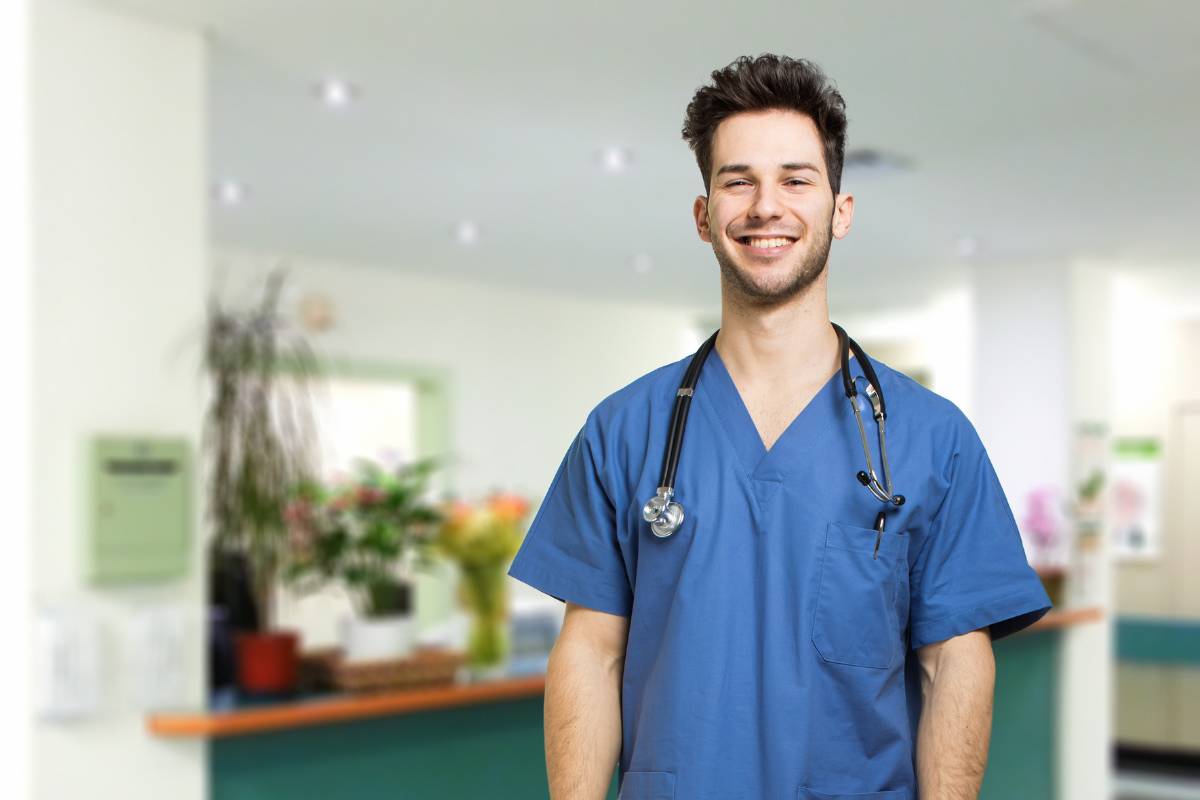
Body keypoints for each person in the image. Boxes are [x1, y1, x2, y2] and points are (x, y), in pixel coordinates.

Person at [507, 53, 1052, 800]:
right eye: (738, 181)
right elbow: (590, 654)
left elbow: (953, 663)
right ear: (704, 216)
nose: (767, 206)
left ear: (840, 210)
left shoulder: (932, 439)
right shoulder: (623, 432)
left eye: (796, 180)